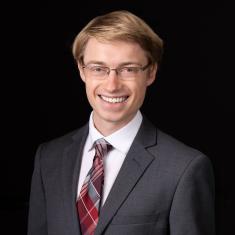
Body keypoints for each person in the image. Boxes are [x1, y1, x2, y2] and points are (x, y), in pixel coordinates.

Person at [28, 10, 215, 235]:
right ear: (81, 70)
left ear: (151, 72)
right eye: (98, 68)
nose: (112, 85)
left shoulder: (185, 169)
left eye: (128, 69)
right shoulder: (49, 158)